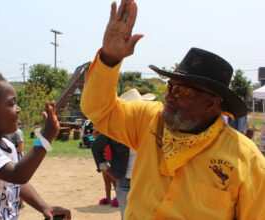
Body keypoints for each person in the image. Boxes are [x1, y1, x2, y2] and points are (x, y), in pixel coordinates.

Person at [80, 0, 265, 219]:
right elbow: (98, 110)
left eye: (183, 91)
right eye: (170, 87)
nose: (169, 96)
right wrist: (109, 58)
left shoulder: (246, 159)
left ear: (213, 102)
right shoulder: (149, 119)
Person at [0, 73, 71, 220]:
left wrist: (43, 206)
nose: (18, 109)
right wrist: (45, 138)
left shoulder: (7, 145)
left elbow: (14, 181)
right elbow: (18, 175)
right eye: (11, 103)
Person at [91, 89, 153, 219]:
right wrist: (107, 170)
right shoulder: (115, 128)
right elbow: (96, 148)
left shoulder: (151, 125)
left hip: (148, 182)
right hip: (127, 183)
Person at [92, 129, 118, 208]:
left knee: (114, 180)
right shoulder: (101, 135)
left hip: (112, 160)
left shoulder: (112, 135)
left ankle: (118, 198)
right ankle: (108, 198)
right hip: (103, 160)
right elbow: (94, 133)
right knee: (106, 180)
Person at [5, 126, 25, 209]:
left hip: (18, 159)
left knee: (20, 181)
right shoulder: (4, 132)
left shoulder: (17, 132)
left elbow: (20, 148)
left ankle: (20, 203)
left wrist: (8, 150)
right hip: (9, 159)